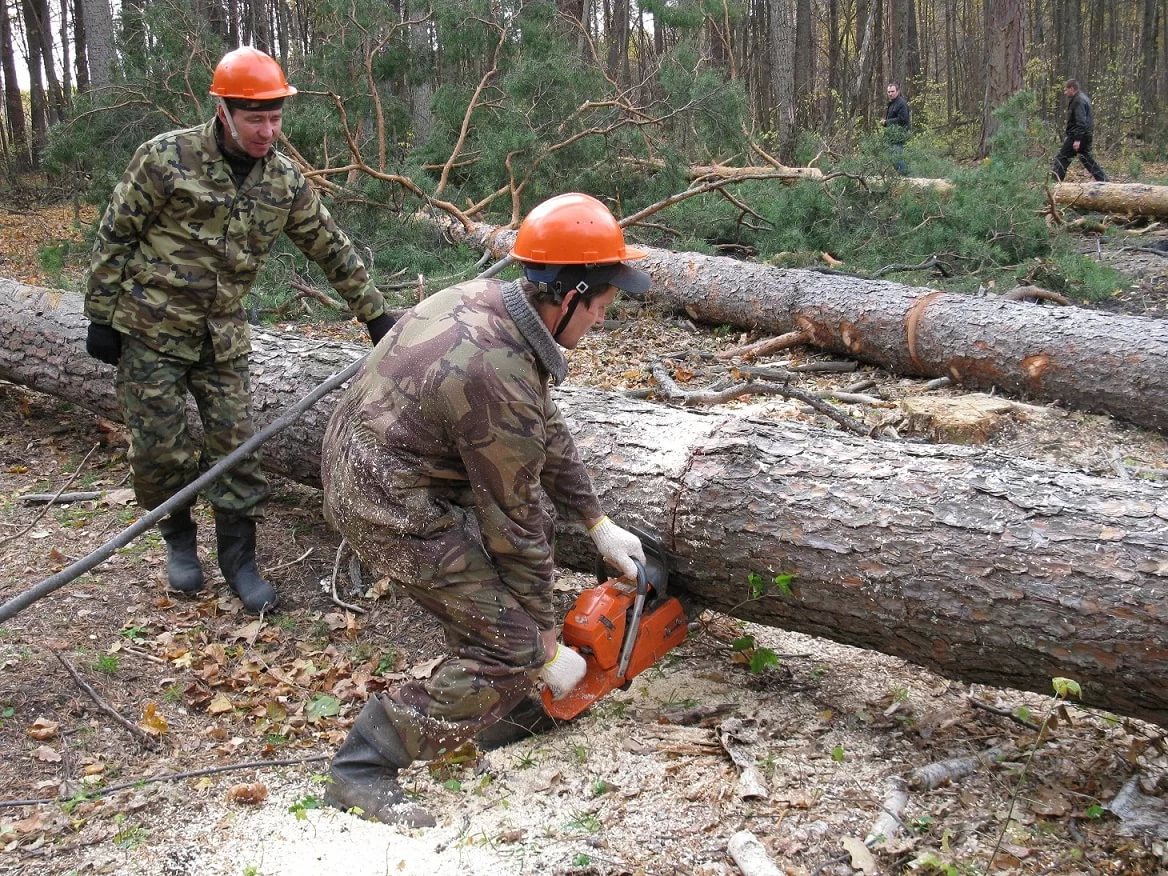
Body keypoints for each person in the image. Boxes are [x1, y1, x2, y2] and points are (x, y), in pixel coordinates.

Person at [318, 192, 651, 827]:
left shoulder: (497, 305)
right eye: (603, 306)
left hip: (380, 464)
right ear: (570, 294)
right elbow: (517, 524)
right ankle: (364, 766)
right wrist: (544, 646)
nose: (604, 320)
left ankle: (504, 701)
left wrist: (596, 520)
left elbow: (543, 427)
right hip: (385, 502)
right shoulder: (497, 375)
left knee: (504, 621)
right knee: (508, 647)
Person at [82, 46, 395, 614]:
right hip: (150, 331)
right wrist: (100, 316)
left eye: (276, 118)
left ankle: (239, 560)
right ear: (223, 111)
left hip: (221, 339)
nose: (268, 130)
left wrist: (374, 313)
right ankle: (178, 541)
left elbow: (330, 246)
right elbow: (115, 235)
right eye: (256, 118)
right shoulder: (164, 159)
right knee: (159, 451)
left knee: (238, 446)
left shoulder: (282, 181)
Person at [1052, 79, 1108, 182]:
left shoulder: (1078, 101)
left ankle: (1054, 184)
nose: (1065, 92)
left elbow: (1080, 121)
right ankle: (1104, 181)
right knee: (1086, 159)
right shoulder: (1082, 98)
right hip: (1085, 135)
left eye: (1066, 89)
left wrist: (1077, 139)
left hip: (1078, 135)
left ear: (1072, 89)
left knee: (1061, 158)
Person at [881, 81, 911, 175]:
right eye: (889, 92)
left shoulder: (901, 103)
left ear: (897, 91)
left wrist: (887, 122)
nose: (890, 93)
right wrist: (885, 123)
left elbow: (904, 119)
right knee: (891, 156)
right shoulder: (891, 103)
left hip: (900, 134)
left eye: (892, 91)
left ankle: (906, 178)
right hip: (892, 134)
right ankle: (903, 176)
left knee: (897, 156)